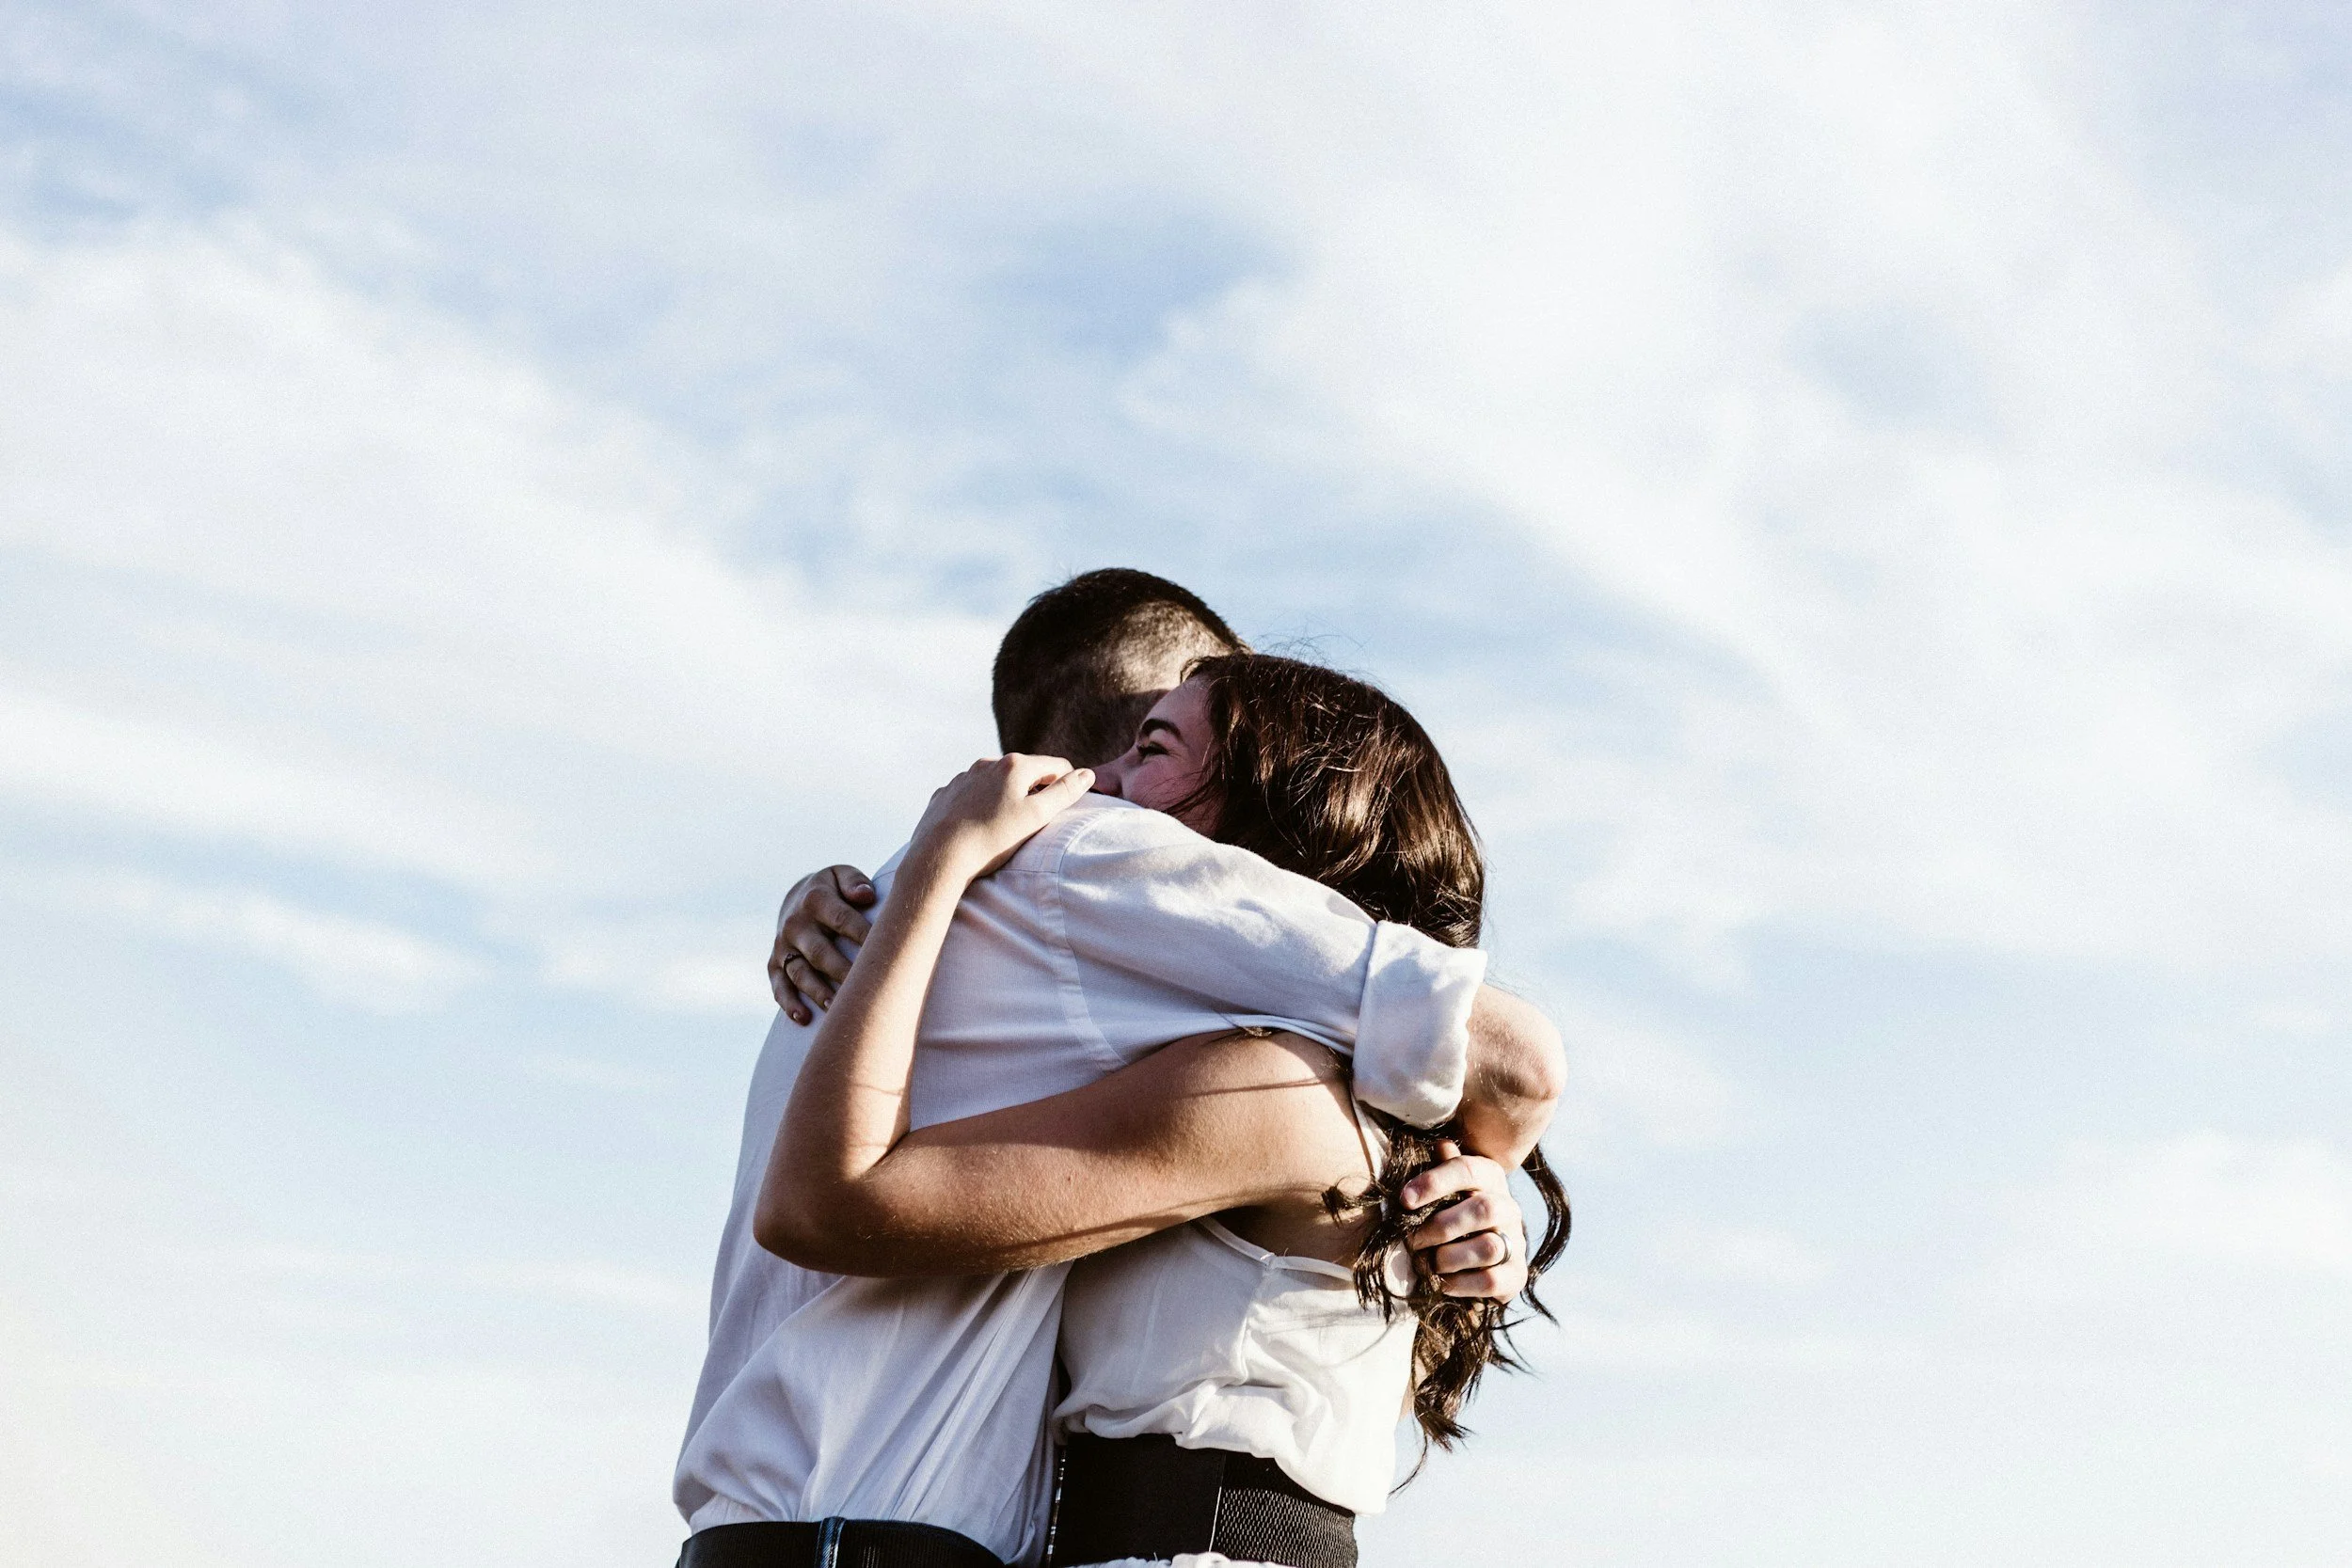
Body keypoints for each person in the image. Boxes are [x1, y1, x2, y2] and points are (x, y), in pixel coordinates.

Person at [675, 571, 1564, 1568]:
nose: (1098, 796)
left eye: (1154, 754)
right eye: (1141, 741)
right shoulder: (1093, 954)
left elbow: (1515, 1063)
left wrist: (923, 869)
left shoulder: (1280, 1091)